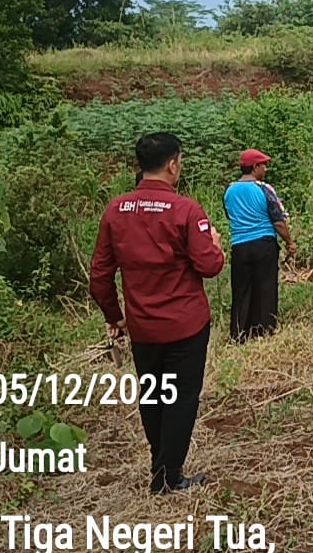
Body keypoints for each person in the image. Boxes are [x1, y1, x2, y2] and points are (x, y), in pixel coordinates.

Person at [89, 133, 225, 493]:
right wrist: (215, 245)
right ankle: (169, 476)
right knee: (181, 398)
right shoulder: (186, 210)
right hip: (186, 325)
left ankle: (158, 466)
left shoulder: (116, 210)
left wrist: (114, 316)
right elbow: (209, 266)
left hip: (143, 327)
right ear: (172, 164)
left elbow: (100, 276)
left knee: (152, 395)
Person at [223, 149, 296, 342]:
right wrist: (289, 242)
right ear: (255, 167)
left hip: (239, 246)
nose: (265, 168)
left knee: (241, 289)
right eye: (263, 165)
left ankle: (239, 332)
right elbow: (278, 221)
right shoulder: (264, 189)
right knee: (265, 287)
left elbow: (230, 215)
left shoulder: (229, 191)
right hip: (263, 244)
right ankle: (264, 330)